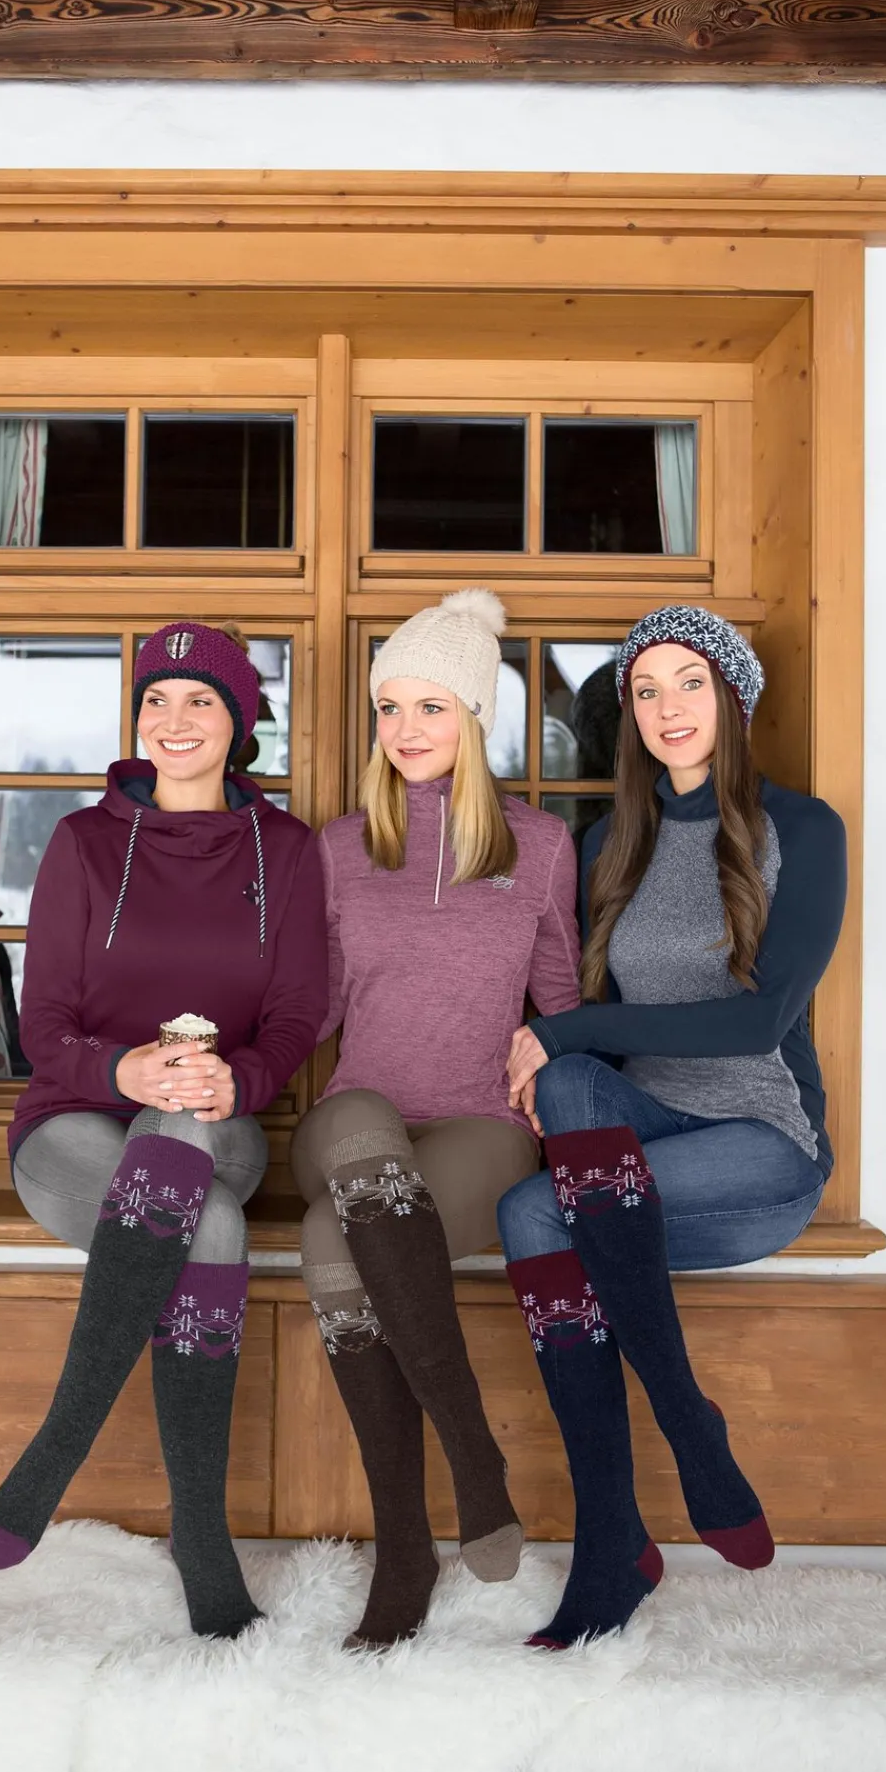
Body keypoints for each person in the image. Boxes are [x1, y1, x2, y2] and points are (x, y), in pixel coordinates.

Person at [0, 620, 327, 1640]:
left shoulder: (288, 852)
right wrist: (120, 1068)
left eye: (199, 700)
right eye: (155, 701)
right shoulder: (83, 844)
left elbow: (297, 1014)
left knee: (182, 1132)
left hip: (221, 1122)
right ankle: (200, 1534)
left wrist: (238, 1078)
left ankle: (56, 1450)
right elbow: (43, 1025)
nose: (174, 720)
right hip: (73, 1130)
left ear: (238, 722)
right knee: (210, 1226)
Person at [496, 604, 847, 1648]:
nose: (666, 707)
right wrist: (551, 1052)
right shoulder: (611, 843)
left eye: (689, 682)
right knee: (540, 1172)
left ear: (732, 697)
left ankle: (660, 1463)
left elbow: (758, 1021)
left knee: (545, 1193)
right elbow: (591, 1044)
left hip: (756, 1143)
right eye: (645, 691)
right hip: (638, 1142)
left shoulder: (802, 829)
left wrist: (563, 1031)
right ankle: (634, 1509)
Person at [291, 588, 582, 1649]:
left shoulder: (538, 846)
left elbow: (561, 1000)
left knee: (331, 1236)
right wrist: (216, 1056)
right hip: (352, 1120)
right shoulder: (338, 848)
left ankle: (405, 1549)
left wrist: (568, 1065)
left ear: (474, 716)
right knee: (361, 1121)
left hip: (479, 1129)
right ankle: (473, 1455)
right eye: (390, 707)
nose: (405, 730)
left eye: (431, 707)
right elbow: (312, 1010)